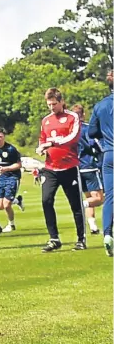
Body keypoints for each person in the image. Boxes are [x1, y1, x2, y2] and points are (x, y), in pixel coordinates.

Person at [36, 88, 85, 252]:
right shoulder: (46, 120)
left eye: (54, 104)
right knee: (46, 200)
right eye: (49, 104)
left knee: (75, 204)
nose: (51, 107)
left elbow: (73, 138)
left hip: (69, 167)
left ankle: (81, 238)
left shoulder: (72, 117)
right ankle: (54, 238)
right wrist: (41, 148)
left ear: (61, 101)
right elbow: (42, 138)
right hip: (50, 168)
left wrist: (53, 143)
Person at [88, 70, 113, 256]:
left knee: (110, 198)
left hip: (109, 155)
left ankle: (107, 234)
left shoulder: (99, 105)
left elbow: (92, 132)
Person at [71, 104, 104, 235]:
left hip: (76, 168)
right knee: (99, 199)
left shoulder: (69, 131)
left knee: (90, 196)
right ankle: (80, 205)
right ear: (83, 115)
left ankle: (93, 226)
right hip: (89, 167)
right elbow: (96, 144)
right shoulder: (87, 129)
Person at [0, 127, 23, 234]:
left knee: (7, 205)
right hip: (1, 179)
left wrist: (6, 169)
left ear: (4, 137)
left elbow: (19, 164)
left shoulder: (11, 149)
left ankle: (11, 225)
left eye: (1, 137)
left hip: (12, 177)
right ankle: (17, 200)